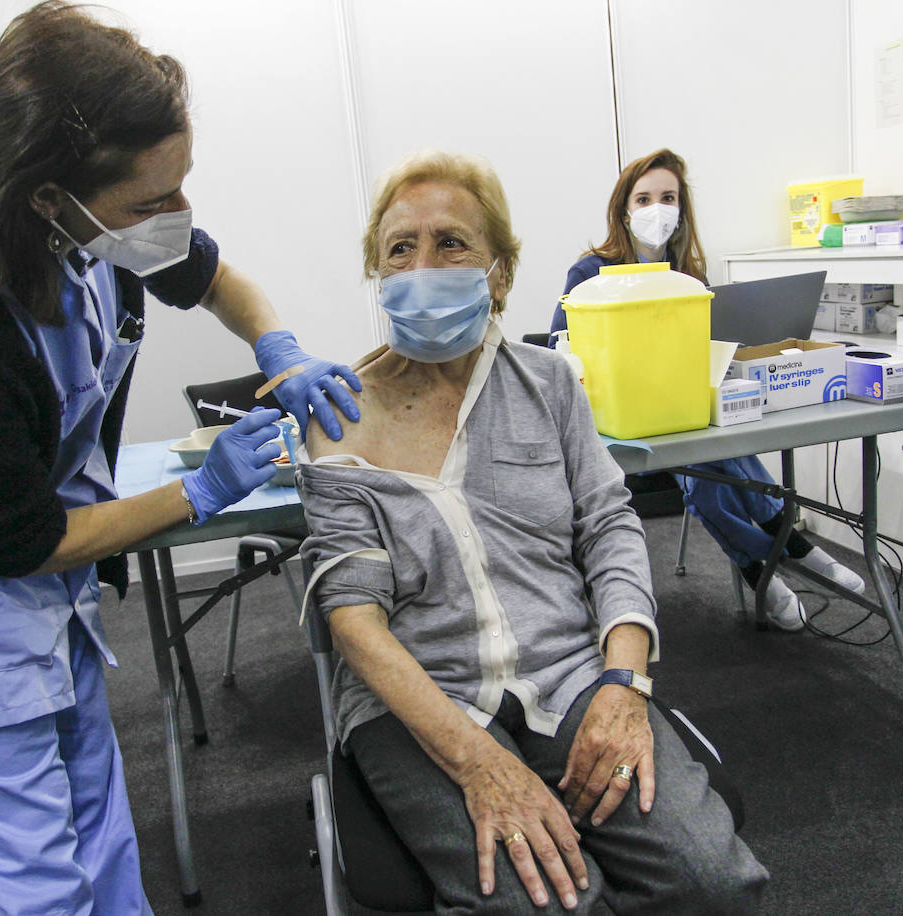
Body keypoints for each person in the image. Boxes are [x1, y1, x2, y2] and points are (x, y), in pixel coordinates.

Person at [0, 4, 359, 912]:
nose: (176, 217)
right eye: (152, 202)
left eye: (182, 186)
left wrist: (282, 348)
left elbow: (211, 275)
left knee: (99, 820)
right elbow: (26, 539)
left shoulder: (97, 231)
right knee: (22, 870)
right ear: (46, 196)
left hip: (43, 580)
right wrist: (200, 493)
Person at [298, 150, 768, 914]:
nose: (423, 266)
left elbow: (611, 528)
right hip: (424, 700)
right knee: (548, 904)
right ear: (377, 276)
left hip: (571, 674)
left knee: (712, 884)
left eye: (451, 243)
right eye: (399, 249)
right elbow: (352, 620)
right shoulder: (341, 416)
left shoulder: (549, 384)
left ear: (501, 274)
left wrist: (624, 682)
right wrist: (477, 761)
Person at [551, 149, 864, 631]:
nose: (658, 208)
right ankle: (782, 550)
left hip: (683, 406)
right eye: (645, 197)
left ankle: (763, 566)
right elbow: (559, 349)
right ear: (624, 209)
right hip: (620, 418)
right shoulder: (591, 273)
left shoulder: (691, 277)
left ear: (682, 208)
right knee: (703, 464)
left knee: (710, 458)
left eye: (668, 197)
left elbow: (703, 350)